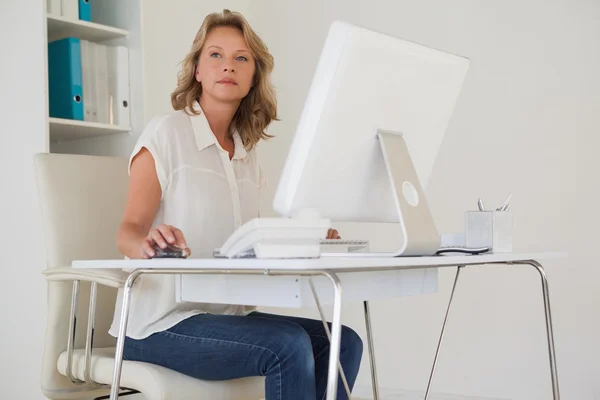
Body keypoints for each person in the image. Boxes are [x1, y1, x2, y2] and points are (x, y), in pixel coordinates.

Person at [111, 9, 363, 400]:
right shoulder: (167, 132)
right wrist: (148, 243)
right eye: (216, 55)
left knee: (342, 341)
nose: (228, 66)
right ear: (197, 69)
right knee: (287, 345)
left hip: (225, 318)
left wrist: (310, 239)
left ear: (252, 77)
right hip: (157, 325)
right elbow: (127, 230)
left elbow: (250, 245)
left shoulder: (246, 154)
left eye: (241, 58)